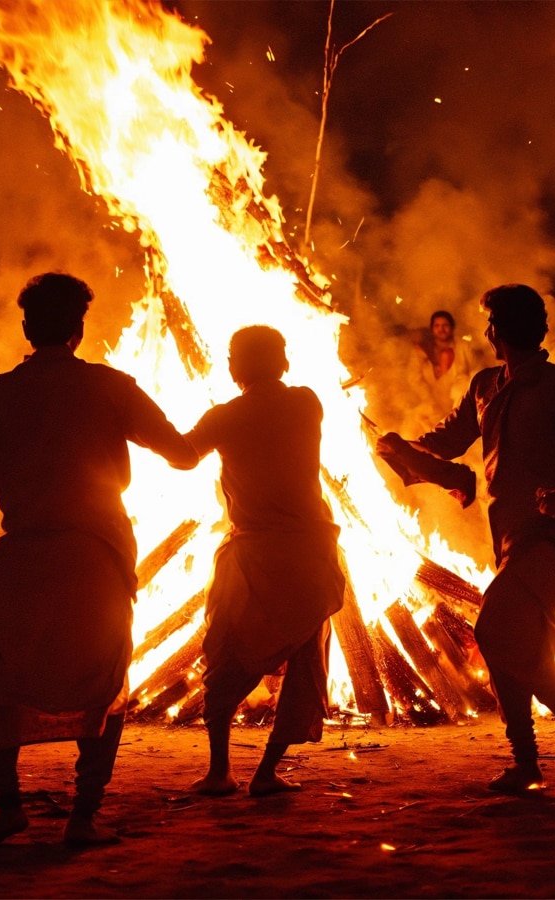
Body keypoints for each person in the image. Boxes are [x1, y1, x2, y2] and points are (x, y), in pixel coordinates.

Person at [0, 272, 196, 846]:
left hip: (24, 561)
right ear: (78, 329)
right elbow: (183, 456)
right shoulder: (111, 386)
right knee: (102, 682)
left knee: (2, 681)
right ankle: (83, 818)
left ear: (27, 327)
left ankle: (9, 809)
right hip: (97, 558)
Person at [377, 283, 555, 796]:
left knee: (498, 634)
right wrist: (399, 446)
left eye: (493, 322)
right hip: (510, 537)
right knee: (516, 651)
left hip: (551, 538)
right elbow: (448, 441)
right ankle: (550, 762)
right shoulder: (485, 385)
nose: (490, 331)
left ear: (509, 329)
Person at [175, 326, 345, 798]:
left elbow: (183, 456)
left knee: (226, 656)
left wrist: (139, 427)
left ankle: (219, 770)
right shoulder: (307, 402)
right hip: (308, 554)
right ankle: (266, 771)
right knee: (306, 661)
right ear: (284, 363)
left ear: (234, 368)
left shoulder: (224, 417)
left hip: (253, 557)